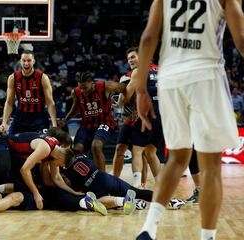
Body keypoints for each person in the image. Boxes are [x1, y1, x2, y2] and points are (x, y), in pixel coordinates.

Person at [135, 1, 244, 239]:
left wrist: (142, 90)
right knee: (211, 168)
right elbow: (242, 40)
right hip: (205, 75)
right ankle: (208, 237)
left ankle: (149, 229)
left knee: (176, 158)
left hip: (170, 79)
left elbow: (147, 39)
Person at [112, 48, 163, 186]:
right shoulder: (161, 70)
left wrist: (119, 100)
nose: (130, 60)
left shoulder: (137, 72)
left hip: (145, 116)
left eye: (133, 57)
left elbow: (125, 97)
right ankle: (115, 180)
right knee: (145, 151)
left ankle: (139, 185)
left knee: (138, 151)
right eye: (129, 59)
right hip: (162, 116)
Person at [60, 71, 127, 171]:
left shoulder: (105, 86)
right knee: (77, 150)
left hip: (104, 122)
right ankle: (85, 176)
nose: (83, 91)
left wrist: (129, 104)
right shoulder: (76, 92)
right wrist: (65, 120)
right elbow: (76, 108)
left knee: (96, 146)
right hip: (86, 125)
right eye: (80, 88)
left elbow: (125, 88)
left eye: (85, 88)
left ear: (92, 83)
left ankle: (102, 178)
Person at [0, 50, 57, 135]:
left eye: (29, 60)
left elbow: (50, 103)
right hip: (21, 116)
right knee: (10, 142)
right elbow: (9, 102)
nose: (26, 63)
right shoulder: (13, 78)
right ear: (20, 61)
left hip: (39, 117)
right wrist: (4, 122)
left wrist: (54, 124)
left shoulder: (42, 77)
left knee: (42, 145)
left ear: (33, 61)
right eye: (24, 60)